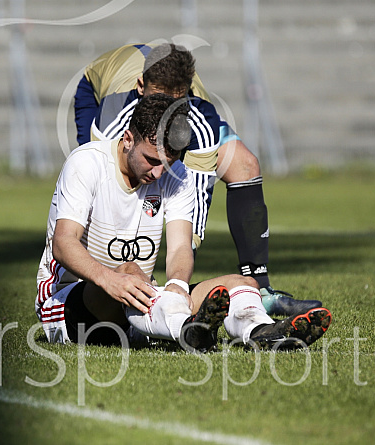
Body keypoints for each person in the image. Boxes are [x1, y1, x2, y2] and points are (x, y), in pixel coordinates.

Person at [36, 94, 332, 351]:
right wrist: (112, 280)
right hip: (67, 306)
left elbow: (180, 247)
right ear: (127, 139)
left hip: (141, 301)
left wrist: (177, 285)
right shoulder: (86, 163)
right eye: (151, 160)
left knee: (242, 284)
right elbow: (64, 243)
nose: (157, 174)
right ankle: (187, 329)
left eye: (167, 163)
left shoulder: (177, 175)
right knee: (130, 272)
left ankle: (261, 332)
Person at [73, 42, 321, 317]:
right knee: (105, 175)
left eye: (175, 104)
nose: (167, 112)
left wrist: (180, 268)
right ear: (142, 86)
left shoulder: (199, 116)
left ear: (187, 94)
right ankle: (97, 285)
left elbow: (198, 193)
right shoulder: (114, 115)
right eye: (159, 101)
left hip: (188, 114)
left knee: (246, 165)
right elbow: (107, 178)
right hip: (94, 91)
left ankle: (260, 290)